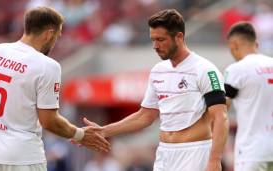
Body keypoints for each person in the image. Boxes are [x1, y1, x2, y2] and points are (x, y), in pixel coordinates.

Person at [83, 9, 229, 171]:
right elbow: (145, 116)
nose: (155, 46)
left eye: (161, 39)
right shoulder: (158, 71)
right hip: (164, 154)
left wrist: (215, 160)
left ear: (179, 37)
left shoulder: (205, 70)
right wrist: (105, 131)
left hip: (194, 153)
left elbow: (221, 117)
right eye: (153, 40)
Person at [0, 6, 110, 171]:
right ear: (49, 33)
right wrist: (80, 134)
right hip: (22, 156)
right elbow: (49, 121)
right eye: (57, 36)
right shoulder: (47, 66)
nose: (55, 42)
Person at [224, 21, 273, 171]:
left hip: (252, 150)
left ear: (234, 45)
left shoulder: (236, 70)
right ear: (256, 44)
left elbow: (221, 106)